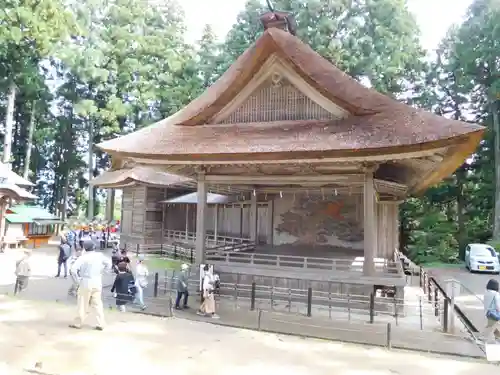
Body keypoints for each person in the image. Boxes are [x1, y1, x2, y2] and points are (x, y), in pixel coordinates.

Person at [69, 240, 111, 331]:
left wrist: (77, 280)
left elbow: (73, 270)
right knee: (97, 303)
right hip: (97, 280)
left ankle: (78, 323)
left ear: (85, 248)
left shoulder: (83, 257)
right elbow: (109, 263)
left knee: (82, 303)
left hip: (86, 280)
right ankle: (100, 323)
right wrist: (104, 271)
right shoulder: (100, 256)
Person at [482, 278, 500, 343]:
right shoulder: (496, 294)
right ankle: (482, 338)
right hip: (494, 313)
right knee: (490, 327)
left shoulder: (486, 292)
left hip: (488, 312)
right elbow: (498, 305)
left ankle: (498, 338)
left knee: (494, 326)